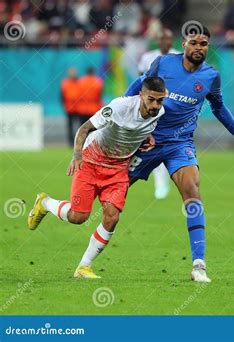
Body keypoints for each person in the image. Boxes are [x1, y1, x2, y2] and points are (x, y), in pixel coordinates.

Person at [125, 25, 234, 283]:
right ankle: (59, 207)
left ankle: (199, 265)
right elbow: (138, 88)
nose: (198, 48)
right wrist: (122, 122)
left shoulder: (210, 76)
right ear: (183, 44)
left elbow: (219, 108)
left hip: (179, 144)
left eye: (203, 44)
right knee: (111, 191)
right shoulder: (162, 64)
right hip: (147, 140)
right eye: (194, 42)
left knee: (193, 191)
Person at [27, 77, 167, 279]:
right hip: (91, 161)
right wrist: (77, 155)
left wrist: (147, 138)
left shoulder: (159, 113)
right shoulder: (119, 107)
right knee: (78, 217)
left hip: (119, 168)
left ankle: (84, 267)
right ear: (141, 95)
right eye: (151, 99)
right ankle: (45, 203)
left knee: (112, 217)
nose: (155, 105)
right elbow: (84, 128)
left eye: (159, 100)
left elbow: (139, 129)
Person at [138, 29, 180, 200]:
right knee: (153, 142)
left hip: (171, 107)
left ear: (172, 40)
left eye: (168, 38)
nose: (165, 41)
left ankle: (171, 177)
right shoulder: (148, 57)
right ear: (158, 39)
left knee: (170, 143)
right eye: (162, 37)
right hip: (152, 106)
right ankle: (160, 183)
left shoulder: (179, 57)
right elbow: (141, 79)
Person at [61, 67, 81, 147]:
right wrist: (64, 105)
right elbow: (62, 96)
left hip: (79, 108)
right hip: (69, 108)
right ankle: (70, 142)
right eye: (71, 72)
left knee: (80, 127)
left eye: (73, 72)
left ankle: (79, 142)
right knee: (70, 126)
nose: (72, 74)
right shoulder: (65, 83)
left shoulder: (79, 82)